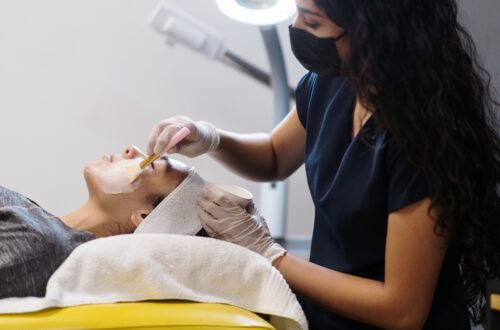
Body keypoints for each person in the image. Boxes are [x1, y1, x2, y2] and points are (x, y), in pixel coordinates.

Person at [146, 0, 500, 329]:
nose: (296, 26)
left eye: (312, 21)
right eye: (296, 11)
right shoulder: (332, 82)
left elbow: (402, 310)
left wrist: (269, 254)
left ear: (372, 27)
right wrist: (210, 137)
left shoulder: (422, 138)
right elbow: (273, 156)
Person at [0, 145, 190, 299]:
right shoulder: (36, 219)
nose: (130, 150)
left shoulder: (42, 245)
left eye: (151, 164)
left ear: (143, 217)